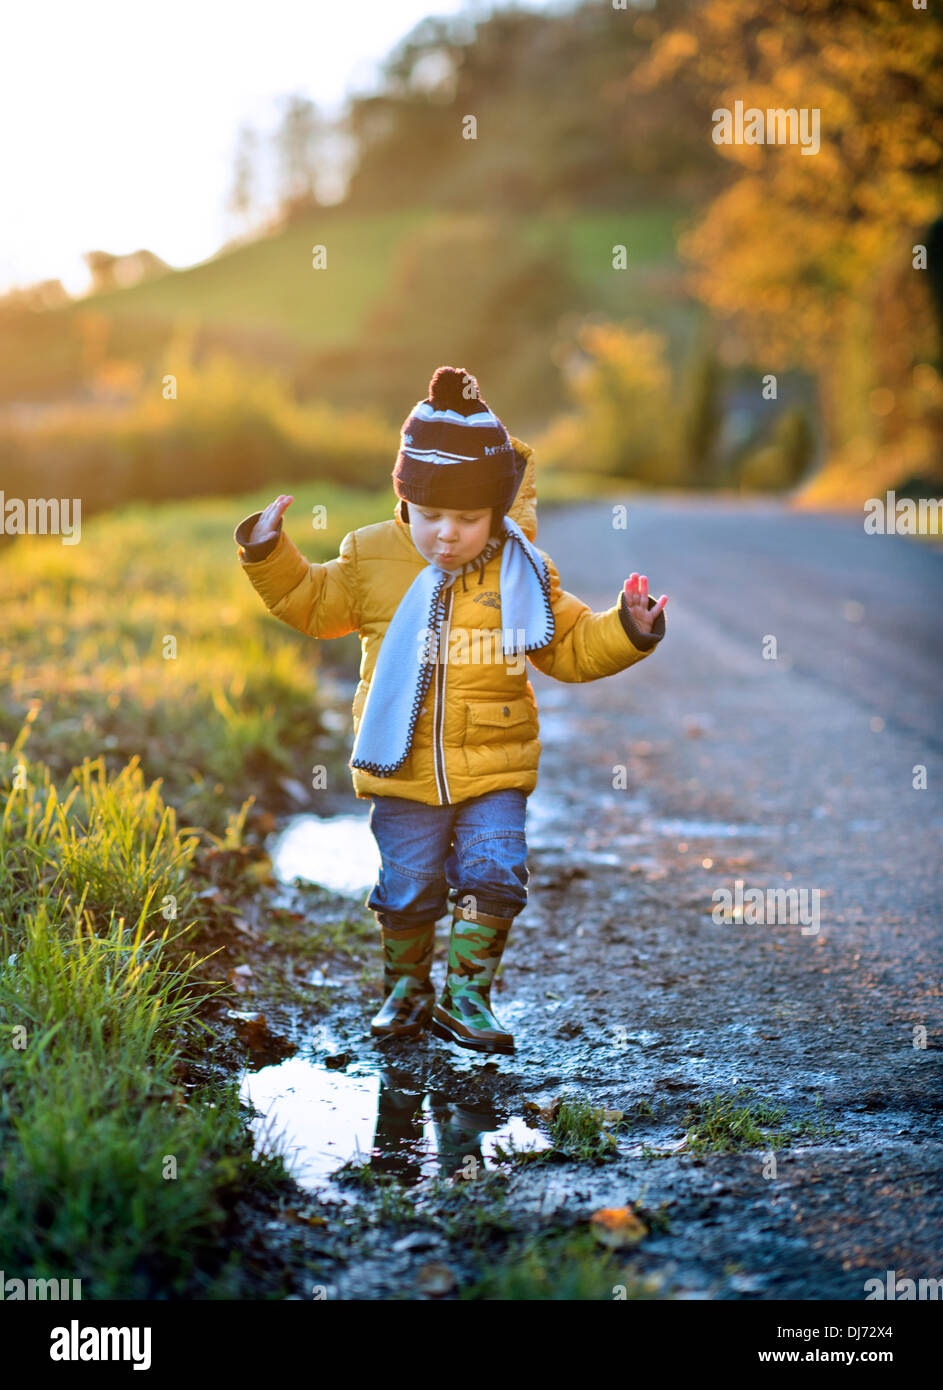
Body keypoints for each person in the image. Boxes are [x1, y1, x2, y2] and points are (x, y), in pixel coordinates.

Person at [233, 365, 667, 1055]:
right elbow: (313, 604)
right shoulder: (371, 555)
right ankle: (407, 990)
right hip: (399, 766)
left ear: (495, 512)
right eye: (431, 515)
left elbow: (573, 646)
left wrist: (629, 627)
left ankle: (468, 994)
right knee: (405, 888)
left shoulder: (519, 568)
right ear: (404, 501)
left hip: (495, 763)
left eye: (467, 519)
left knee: (495, 870)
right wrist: (268, 552)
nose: (446, 534)